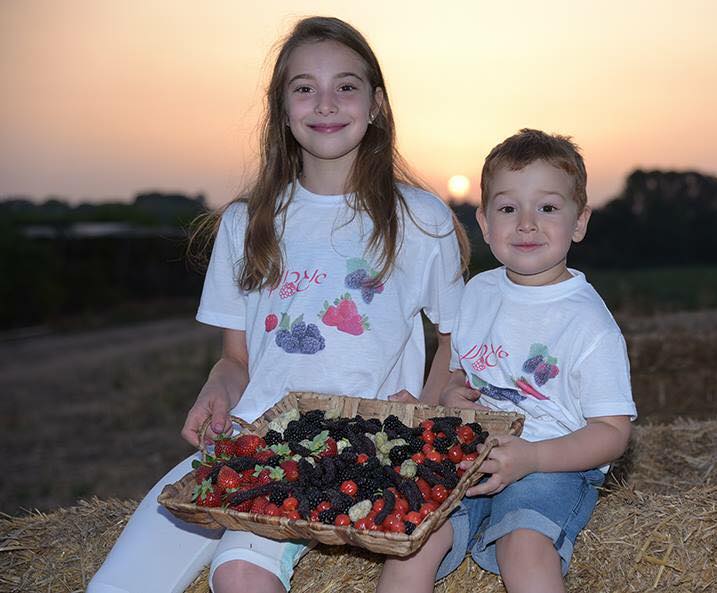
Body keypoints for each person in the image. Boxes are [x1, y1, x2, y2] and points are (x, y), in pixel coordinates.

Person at [88, 16, 468, 593]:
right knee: (117, 586)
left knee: (237, 570)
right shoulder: (247, 222)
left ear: (377, 104)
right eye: (304, 88)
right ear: (281, 108)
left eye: (346, 85)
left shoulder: (419, 218)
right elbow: (235, 360)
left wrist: (425, 413)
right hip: (255, 445)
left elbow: (455, 339)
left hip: (365, 451)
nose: (325, 103)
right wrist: (217, 388)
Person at [377, 129, 637, 593]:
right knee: (413, 537)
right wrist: (448, 400)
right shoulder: (477, 294)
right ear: (484, 221)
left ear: (580, 222)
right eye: (508, 208)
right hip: (469, 454)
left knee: (523, 545)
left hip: (552, 462)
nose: (527, 224)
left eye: (548, 208)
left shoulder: (588, 323)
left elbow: (614, 433)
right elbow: (460, 373)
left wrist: (533, 457)